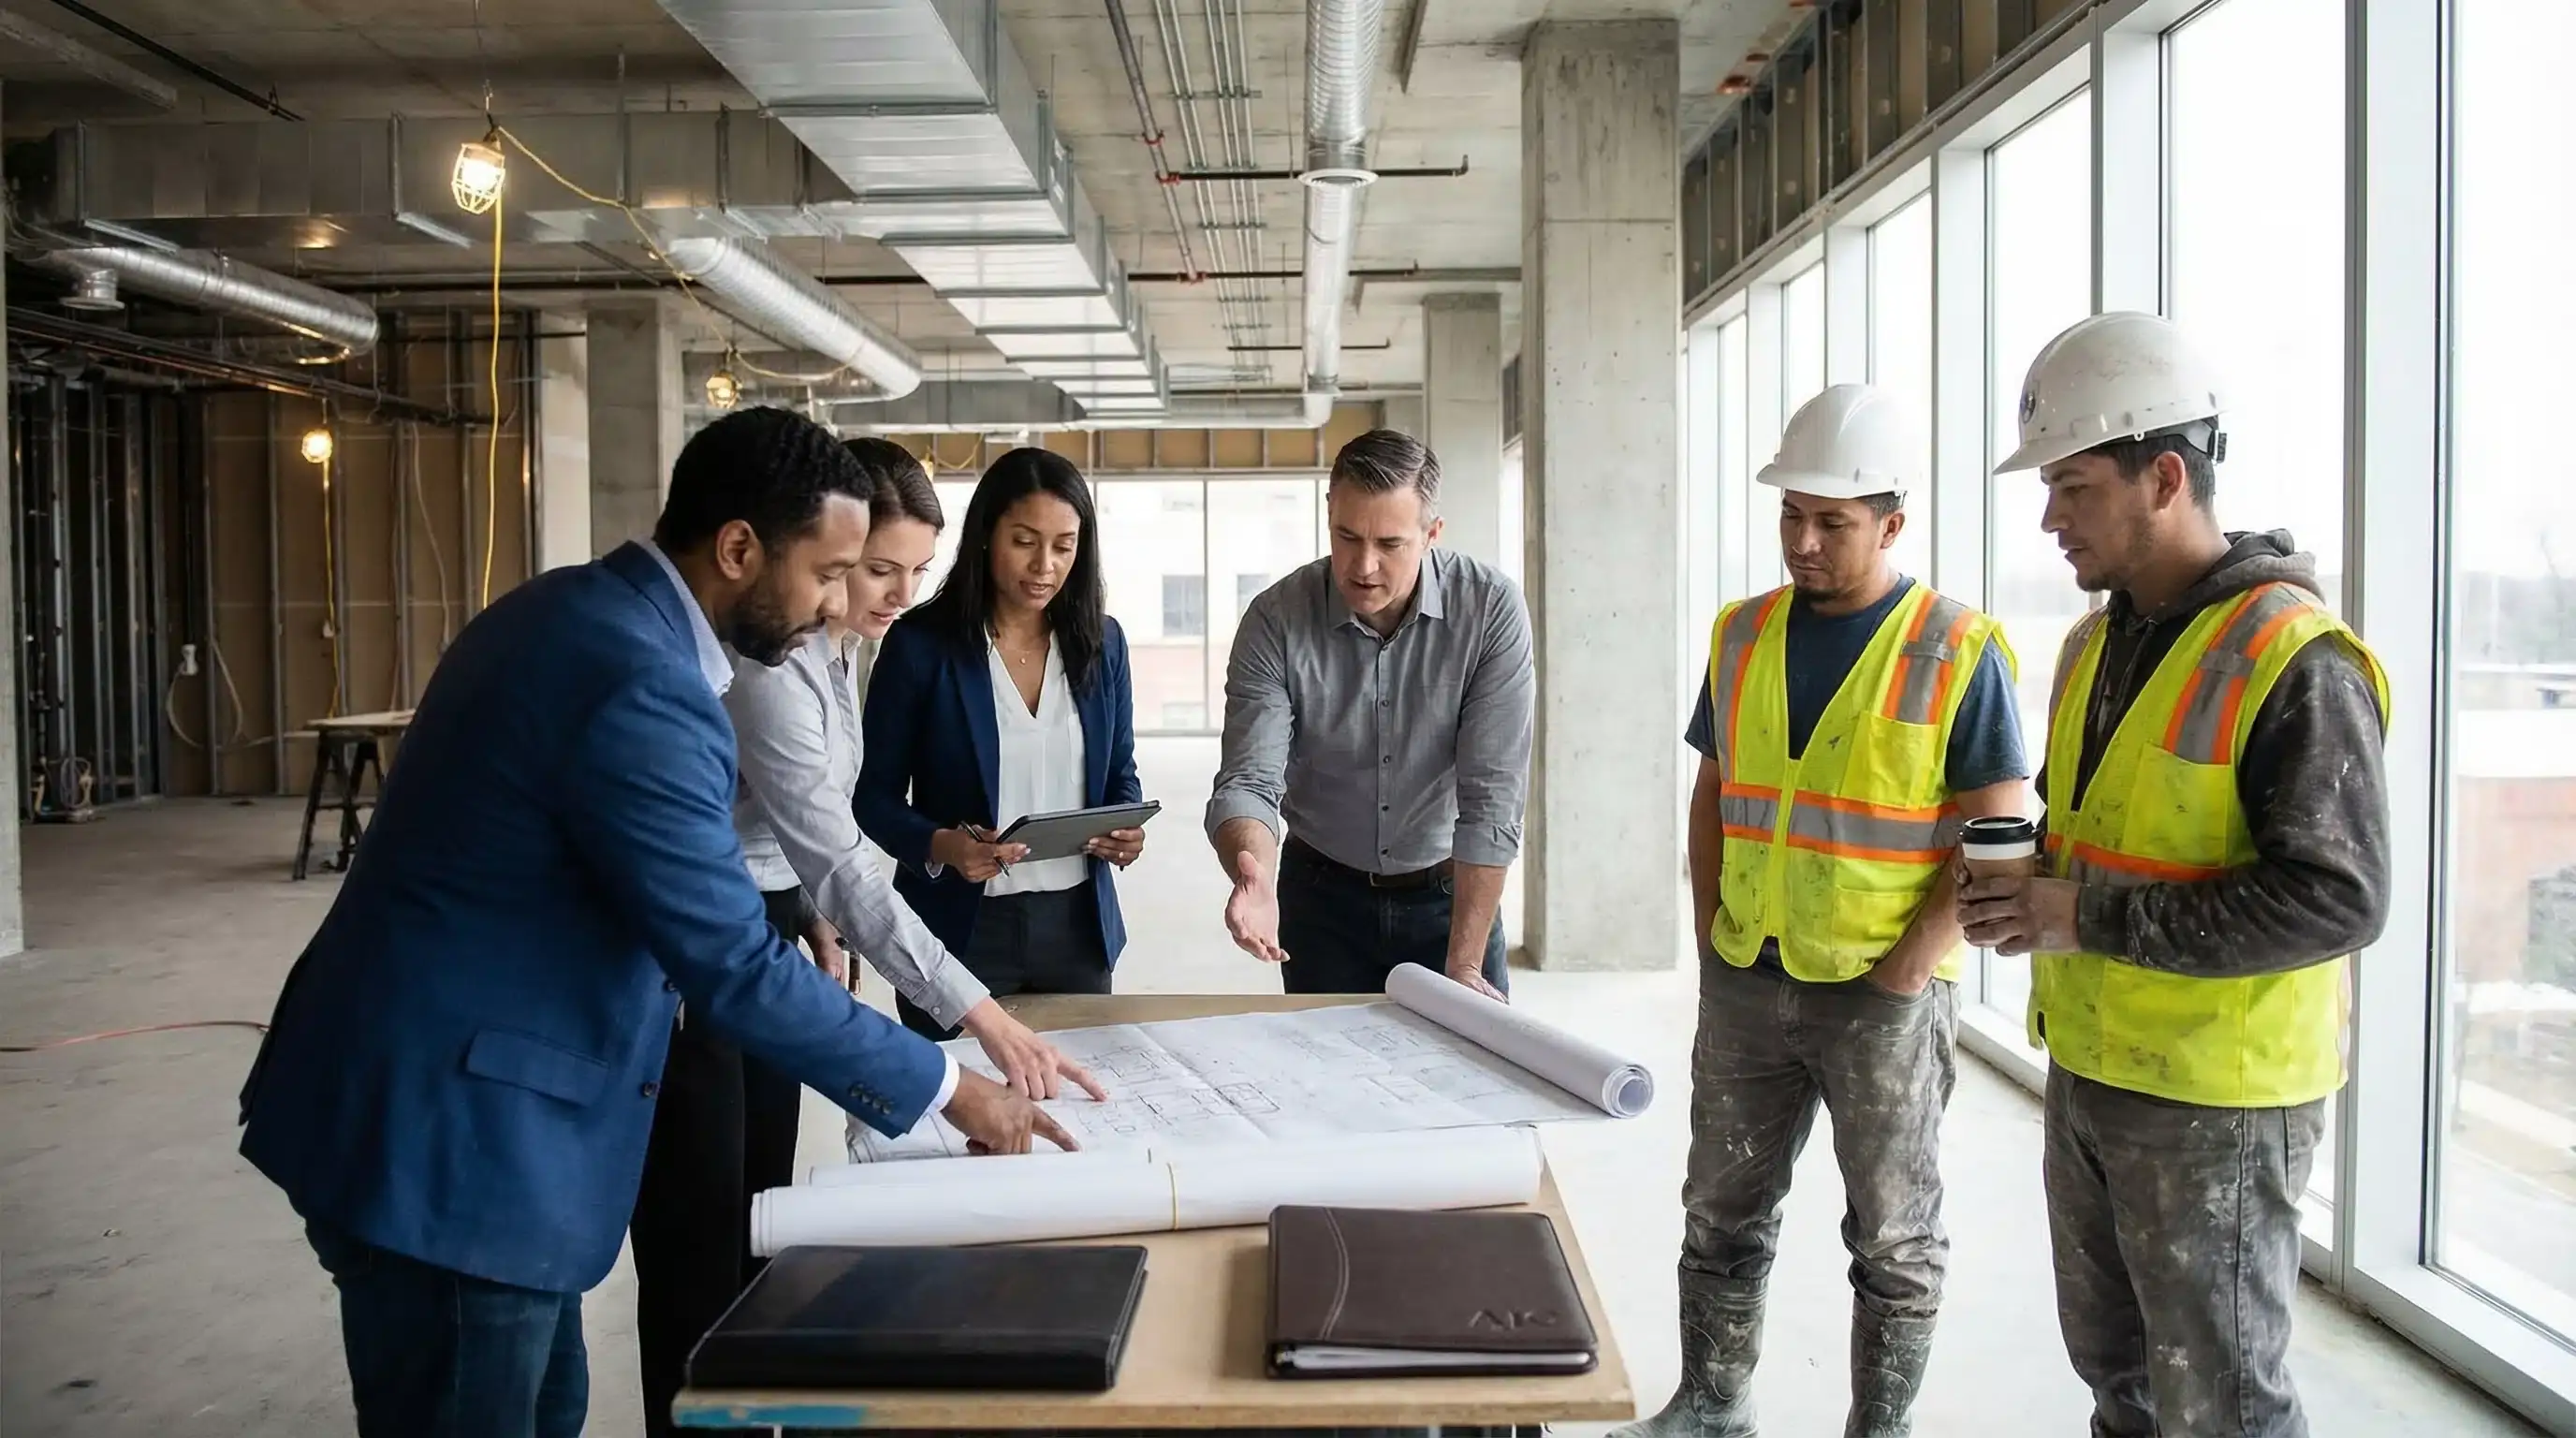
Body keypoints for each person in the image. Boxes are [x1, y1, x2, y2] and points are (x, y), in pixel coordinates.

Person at [234, 407, 1071, 1438]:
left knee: (548, 1405)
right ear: (737, 549)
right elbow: (728, 965)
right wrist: (947, 1087)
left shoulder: (578, 611)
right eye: (827, 572)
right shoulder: (642, 683)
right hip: (455, 1143)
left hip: (444, 1110)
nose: (829, 608)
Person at [1962, 312, 2390, 1438]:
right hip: (2099, 1067)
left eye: (2071, 487)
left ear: (2162, 476)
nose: (2050, 519)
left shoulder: (2291, 657)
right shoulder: (2096, 644)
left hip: (2220, 1098)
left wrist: (2082, 913)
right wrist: (2026, 884)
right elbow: (2106, 829)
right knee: (2124, 1384)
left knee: (2222, 1406)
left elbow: (2338, 897)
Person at [627, 438, 1105, 1438]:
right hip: (705, 936)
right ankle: (696, 1415)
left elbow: (800, 837)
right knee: (700, 1225)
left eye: (909, 572)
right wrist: (969, 1008)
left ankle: (743, 1407)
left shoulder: (840, 645)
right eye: (868, 569)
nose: (889, 592)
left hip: (771, 913)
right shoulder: (774, 660)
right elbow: (842, 843)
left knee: (758, 1207)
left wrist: (809, 911)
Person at [1617, 385, 2028, 1438]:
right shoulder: (1743, 635)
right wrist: (1710, 928)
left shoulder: (1956, 649)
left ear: (1891, 524)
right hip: (1749, 978)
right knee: (1718, 1216)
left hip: (1881, 998)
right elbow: (1716, 793)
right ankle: (1711, 1406)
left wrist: (1911, 964)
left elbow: (1992, 831)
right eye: (1791, 515)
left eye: (1831, 523)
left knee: (1892, 1241)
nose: (1802, 541)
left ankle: (1875, 1431)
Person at [1207, 429, 1532, 1001]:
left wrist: (1463, 967)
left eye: (1390, 543)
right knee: (1325, 1082)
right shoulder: (1276, 619)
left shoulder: (1490, 610)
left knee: (1468, 1079)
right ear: (1328, 513)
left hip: (1450, 897)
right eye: (1347, 536)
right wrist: (1252, 871)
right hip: (1321, 897)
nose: (1363, 565)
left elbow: (1492, 800)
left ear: (1432, 534)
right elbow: (1249, 781)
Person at [856, 448, 1145, 1038]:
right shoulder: (919, 645)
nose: (1045, 565)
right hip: (958, 929)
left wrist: (1125, 831)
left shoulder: (1101, 643)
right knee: (959, 1114)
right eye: (1025, 540)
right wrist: (942, 845)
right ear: (987, 534)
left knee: (1078, 1112)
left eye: (1064, 546)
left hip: (1076, 931)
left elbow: (1120, 774)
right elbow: (872, 796)